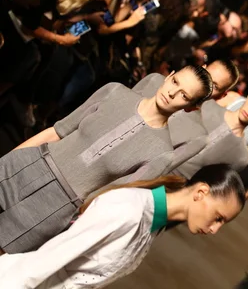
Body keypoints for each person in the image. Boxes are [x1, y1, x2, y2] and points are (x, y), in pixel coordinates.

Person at [0, 65, 213, 254]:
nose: (172, 92)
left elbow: (106, 199)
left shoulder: (162, 153)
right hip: (30, 162)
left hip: (57, 207)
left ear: (190, 107)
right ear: (169, 76)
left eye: (184, 95)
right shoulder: (114, 91)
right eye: (175, 82)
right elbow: (57, 131)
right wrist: (9, 159)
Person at [0, 164, 245, 288]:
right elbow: (42, 263)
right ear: (201, 192)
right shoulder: (127, 209)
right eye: (218, 217)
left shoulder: (153, 224)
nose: (215, 229)